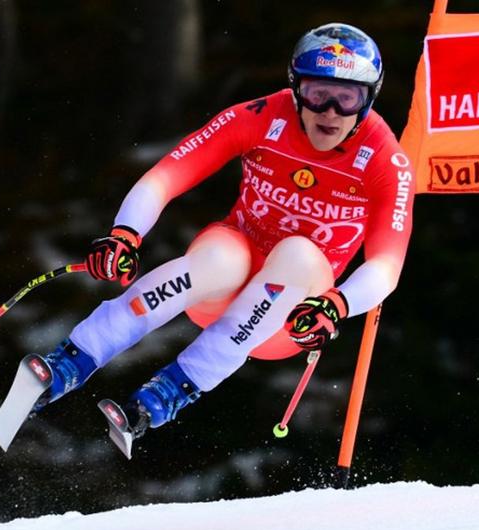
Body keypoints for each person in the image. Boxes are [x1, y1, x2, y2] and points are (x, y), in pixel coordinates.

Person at [26, 23, 415, 458]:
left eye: (348, 98)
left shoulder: (385, 159)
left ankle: (171, 391)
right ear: (295, 87)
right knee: (220, 258)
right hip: (225, 276)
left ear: (369, 99)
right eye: (317, 92)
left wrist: (337, 304)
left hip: (285, 316)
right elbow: (168, 174)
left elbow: (387, 265)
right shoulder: (263, 116)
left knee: (300, 253)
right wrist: (125, 234)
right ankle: (74, 358)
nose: (330, 111)